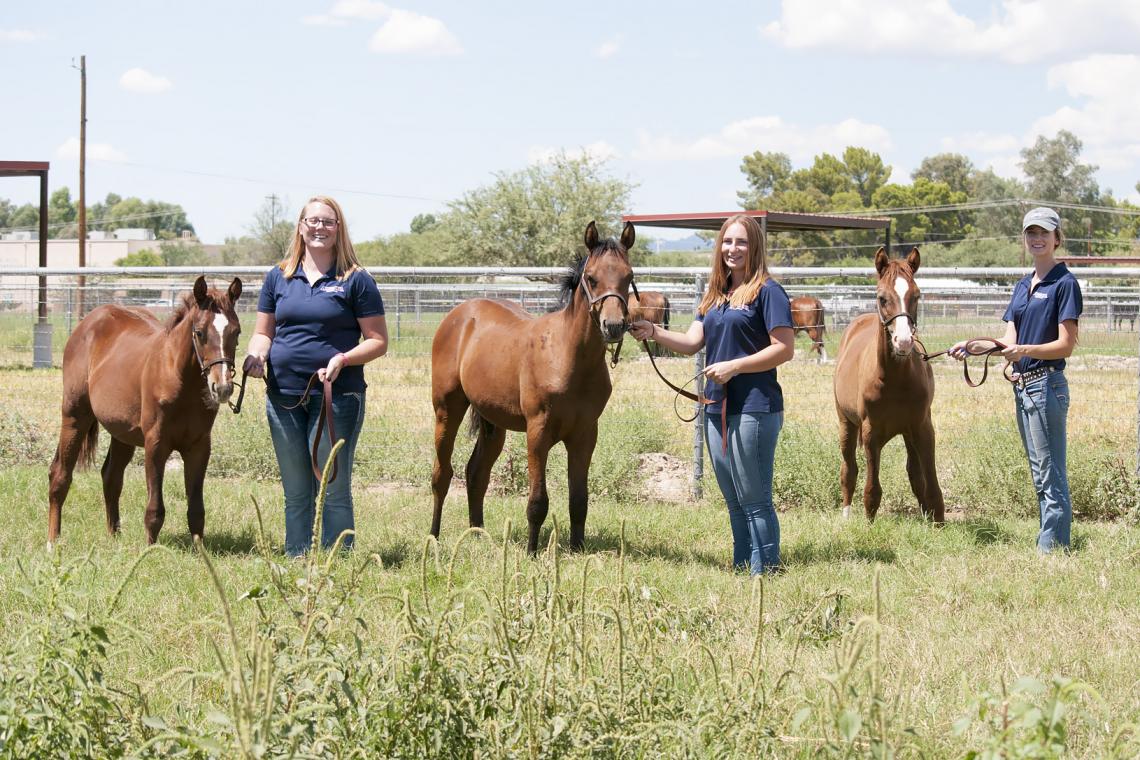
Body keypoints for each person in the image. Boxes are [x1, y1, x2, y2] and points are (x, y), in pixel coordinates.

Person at [629, 214, 795, 574]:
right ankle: (741, 567)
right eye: (727, 241)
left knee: (754, 497)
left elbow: (784, 349)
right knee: (734, 498)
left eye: (741, 242)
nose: (732, 249)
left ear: (755, 247)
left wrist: (734, 366)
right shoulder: (715, 295)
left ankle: (765, 570)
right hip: (715, 406)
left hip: (755, 407)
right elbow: (691, 342)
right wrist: (653, 330)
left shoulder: (768, 292)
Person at [243, 196, 388, 556]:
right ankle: (297, 560)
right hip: (283, 396)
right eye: (313, 221)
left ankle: (337, 564)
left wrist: (343, 358)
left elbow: (378, 341)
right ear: (301, 226)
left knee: (332, 487)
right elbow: (264, 332)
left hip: (337, 397)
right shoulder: (278, 276)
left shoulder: (356, 280)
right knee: (295, 490)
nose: (319, 227)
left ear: (338, 229)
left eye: (328, 221)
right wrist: (256, 353)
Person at [949, 206, 1082, 554]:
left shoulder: (1064, 284)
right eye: (1031, 233)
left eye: (1044, 233)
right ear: (1025, 239)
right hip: (1024, 387)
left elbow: (1065, 345)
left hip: (1046, 386)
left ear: (1057, 238)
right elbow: (1007, 341)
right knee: (1041, 472)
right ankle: (1051, 543)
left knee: (1051, 473)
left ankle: (1053, 551)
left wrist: (1025, 349)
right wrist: (971, 346)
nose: (1037, 239)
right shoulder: (1024, 285)